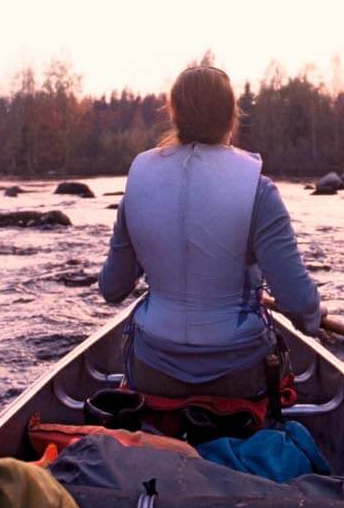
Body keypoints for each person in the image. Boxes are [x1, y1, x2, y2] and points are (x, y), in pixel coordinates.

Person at [98, 64, 322, 400]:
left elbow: (112, 289)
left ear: (173, 113)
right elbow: (297, 302)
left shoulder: (137, 186)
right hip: (238, 374)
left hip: (153, 371)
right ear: (232, 117)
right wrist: (314, 316)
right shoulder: (259, 191)